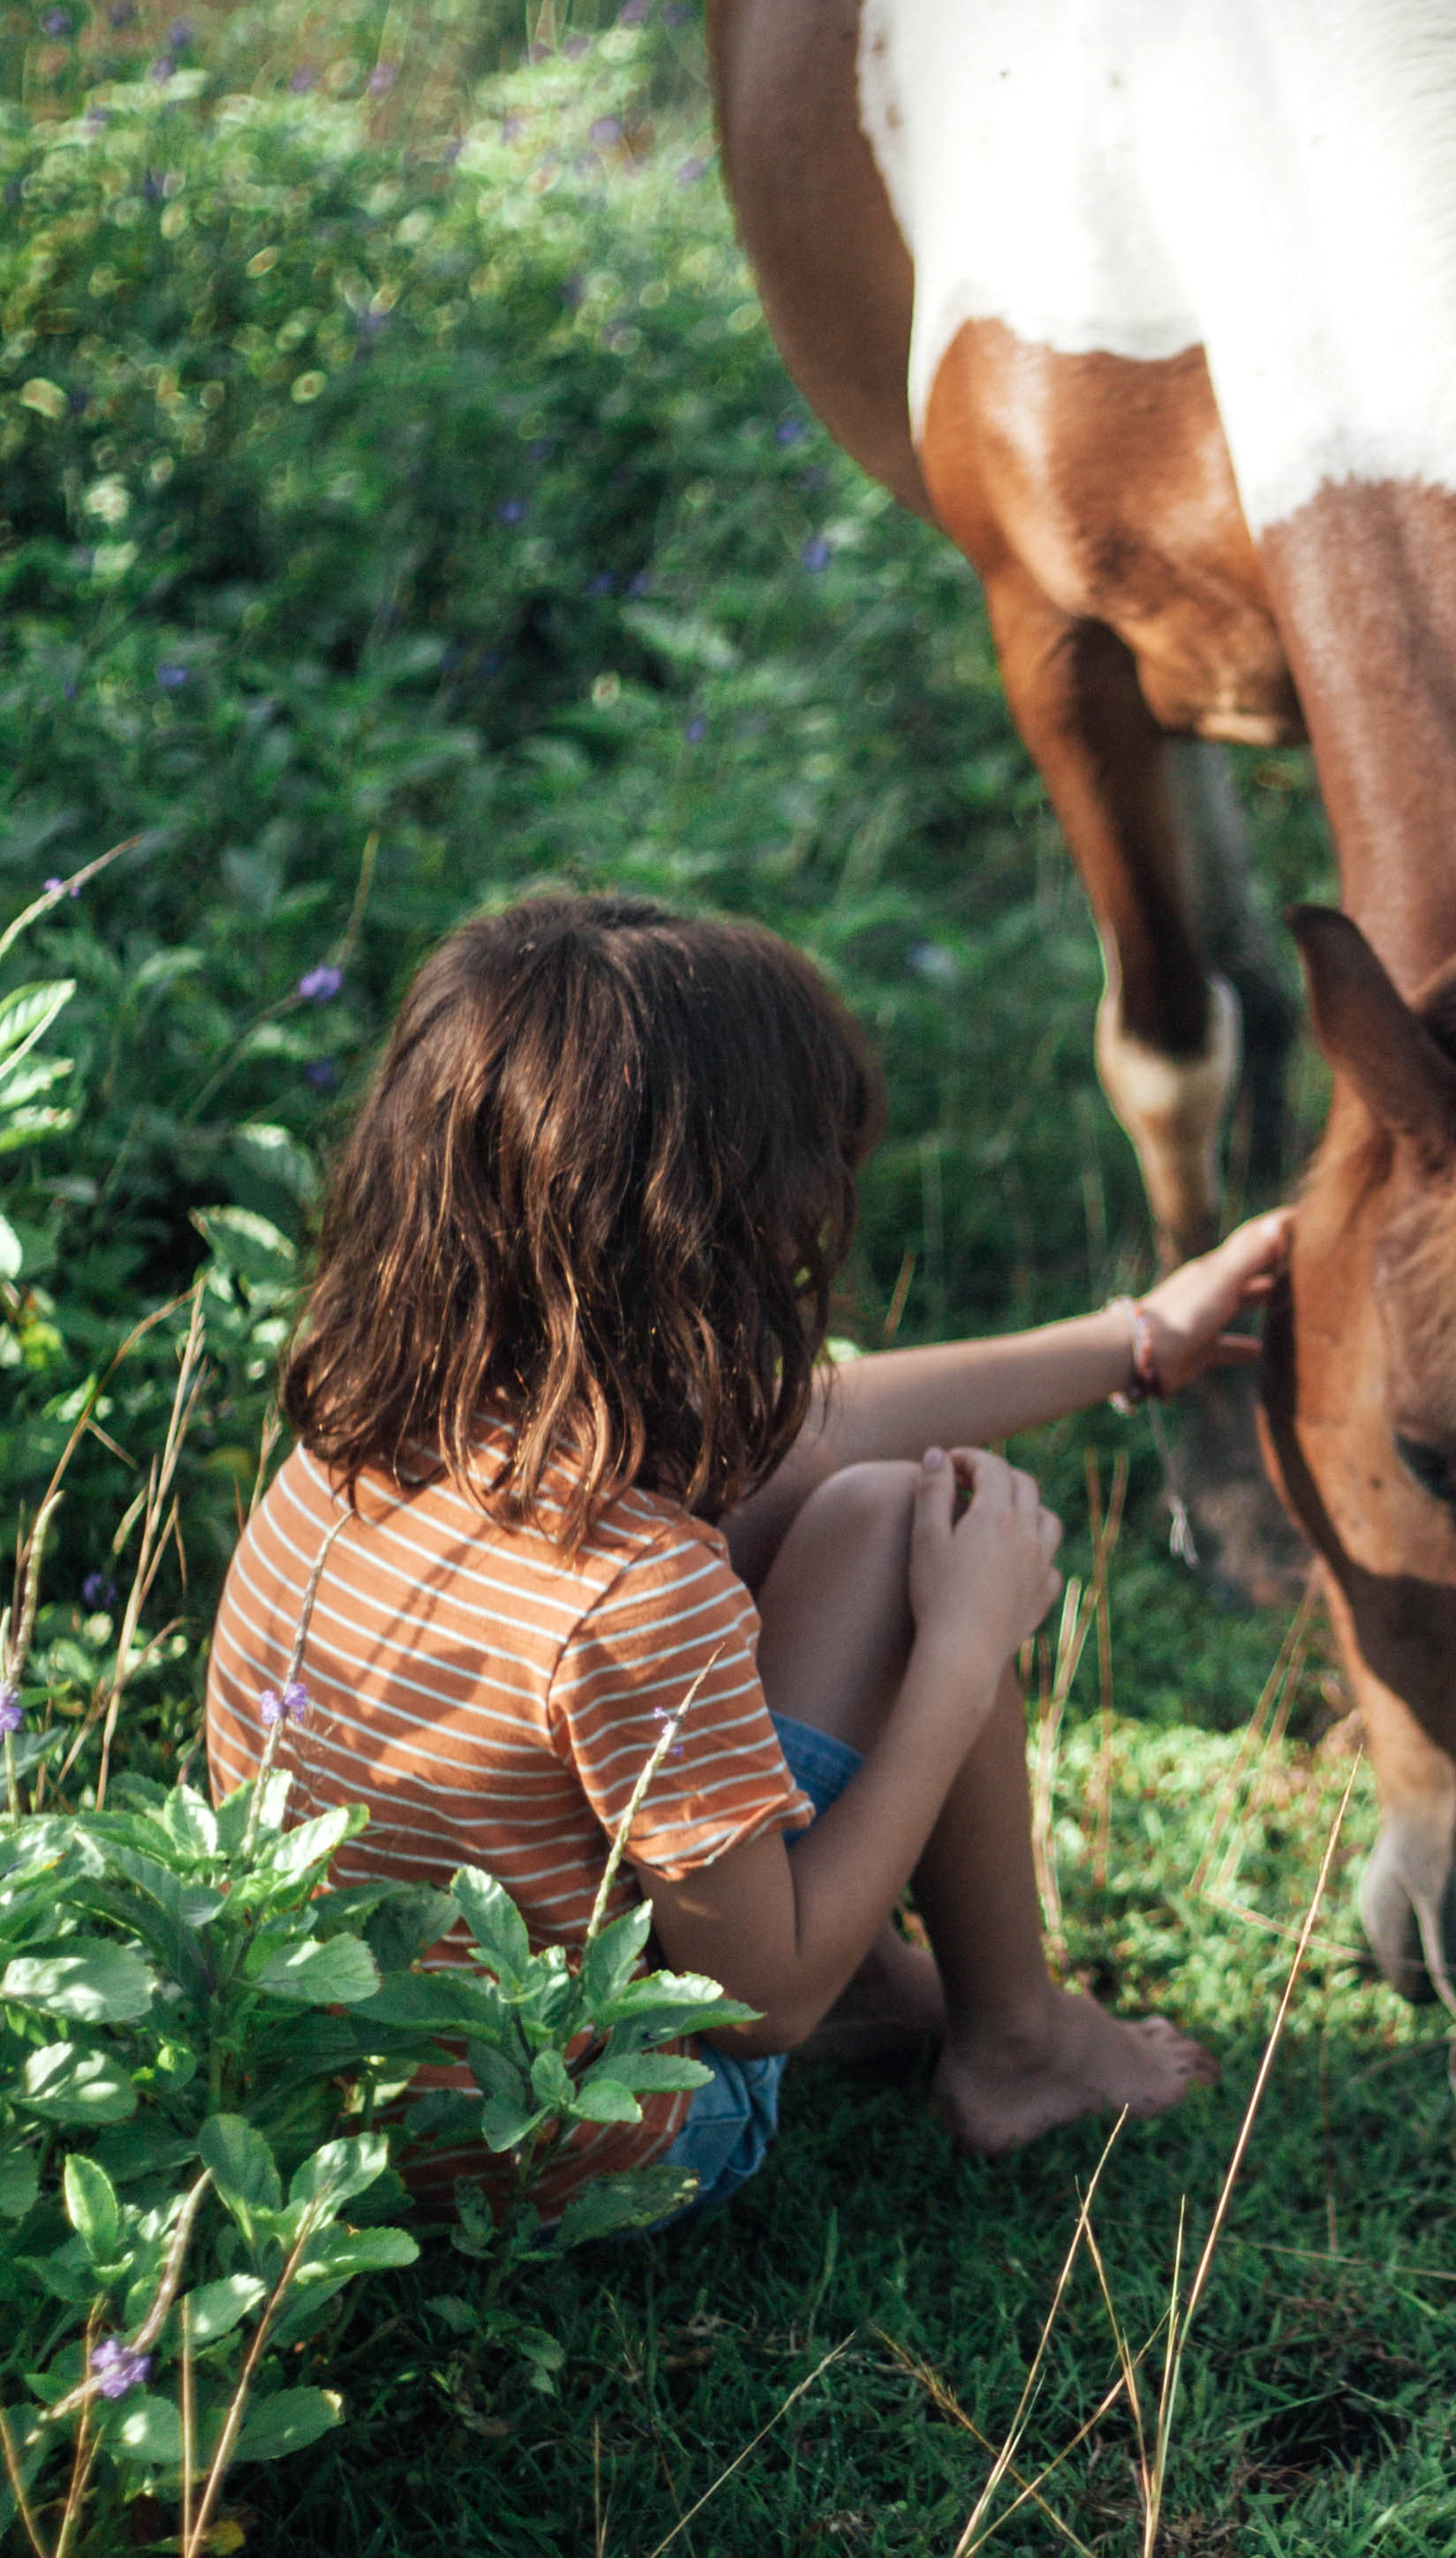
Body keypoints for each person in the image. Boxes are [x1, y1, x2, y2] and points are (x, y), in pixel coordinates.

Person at [206, 891, 1285, 2222]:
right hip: (574, 2138)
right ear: (722, 1230)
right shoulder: (633, 1591)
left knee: (864, 1501)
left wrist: (1134, 1341)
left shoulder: (369, 1436)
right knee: (914, 1541)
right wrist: (961, 1648)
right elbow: (762, 2006)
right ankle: (1014, 2045)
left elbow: (819, 1430)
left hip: (353, 2085)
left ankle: (895, 1989)